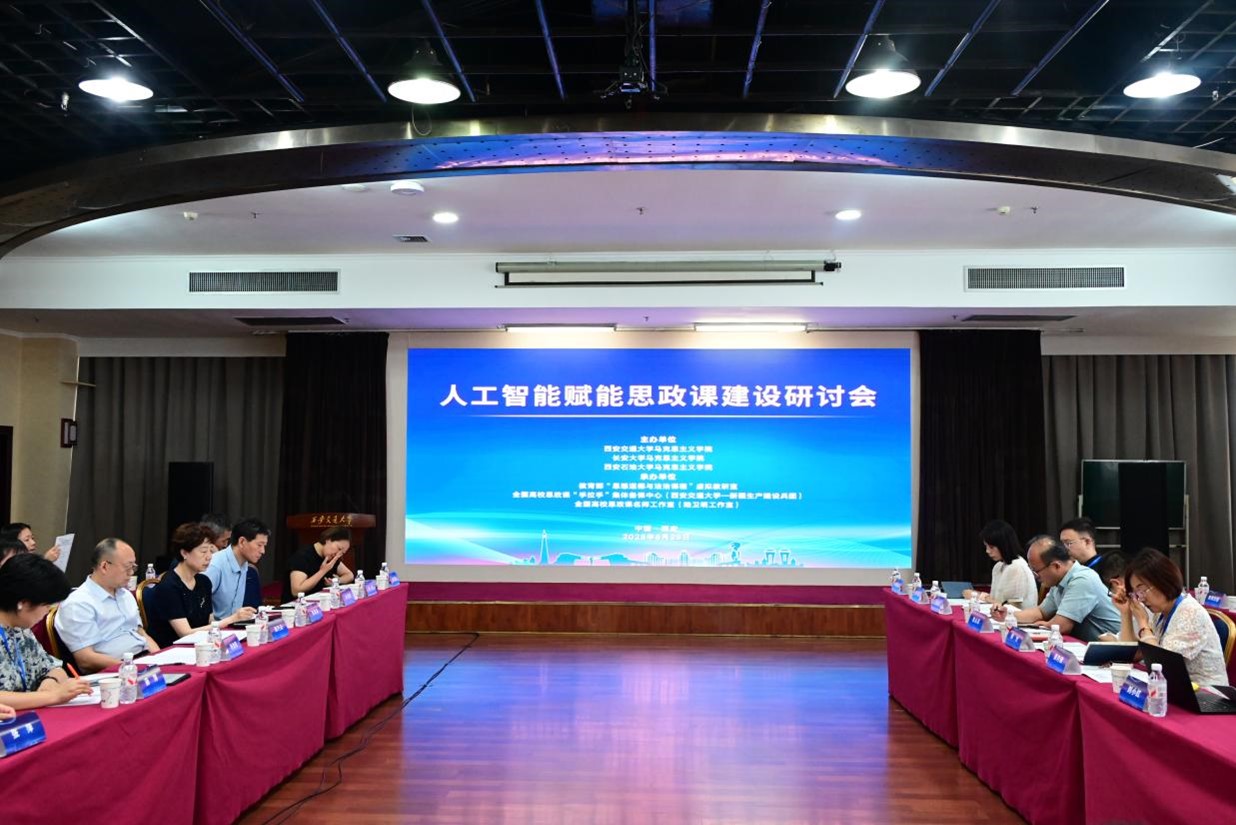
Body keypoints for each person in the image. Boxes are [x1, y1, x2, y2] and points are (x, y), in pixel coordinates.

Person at [1113, 547, 1229, 687]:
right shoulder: (1161, 613)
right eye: (1136, 593)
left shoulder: (1190, 613)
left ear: (1162, 581)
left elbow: (1160, 666)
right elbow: (1133, 655)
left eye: (1142, 590)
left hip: (1206, 694)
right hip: (1175, 689)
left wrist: (1143, 624)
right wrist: (1125, 613)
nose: (1141, 599)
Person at [0, 553, 94, 709]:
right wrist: (52, 696)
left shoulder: (21, 629)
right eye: (46, 605)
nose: (48, 611)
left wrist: (50, 681)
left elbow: (54, 667)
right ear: (23, 603)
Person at [54, 538, 159, 672]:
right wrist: (131, 668)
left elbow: (142, 634)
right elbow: (85, 659)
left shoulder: (125, 595)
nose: (132, 573)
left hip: (142, 662)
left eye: (133, 567)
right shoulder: (78, 604)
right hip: (114, 672)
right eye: (127, 567)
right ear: (104, 566)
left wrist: (159, 660)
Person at [145, 523, 256, 649]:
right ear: (184, 553)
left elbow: (210, 622)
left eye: (210, 551)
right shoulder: (169, 586)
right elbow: (185, 633)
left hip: (202, 646)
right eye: (203, 551)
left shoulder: (203, 581)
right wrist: (231, 619)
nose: (209, 557)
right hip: (173, 649)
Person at [993, 536, 1121, 642]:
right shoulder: (1059, 580)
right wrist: (1008, 615)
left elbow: (1061, 626)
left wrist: (1040, 625)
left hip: (1115, 650)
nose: (1035, 577)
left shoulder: (1082, 580)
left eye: (1036, 571)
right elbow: (1041, 612)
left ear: (1056, 566)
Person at [963, 520, 1037, 609]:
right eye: (986, 546)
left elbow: (1010, 606)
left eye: (991, 547)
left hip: (1017, 616)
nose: (987, 551)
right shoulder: (998, 567)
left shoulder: (1017, 567)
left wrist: (979, 596)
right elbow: (995, 600)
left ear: (1004, 545)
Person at [205, 517, 269, 619]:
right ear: (242, 542)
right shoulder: (215, 566)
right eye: (259, 545)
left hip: (232, 625)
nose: (263, 551)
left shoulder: (244, 564)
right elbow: (198, 607)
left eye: (264, 546)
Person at [283, 525, 356, 602]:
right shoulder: (302, 557)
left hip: (321, 603)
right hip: (297, 606)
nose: (338, 554)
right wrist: (322, 571)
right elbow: (296, 591)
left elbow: (349, 575)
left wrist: (336, 581)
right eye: (339, 548)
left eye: (342, 553)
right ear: (328, 540)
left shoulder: (332, 557)